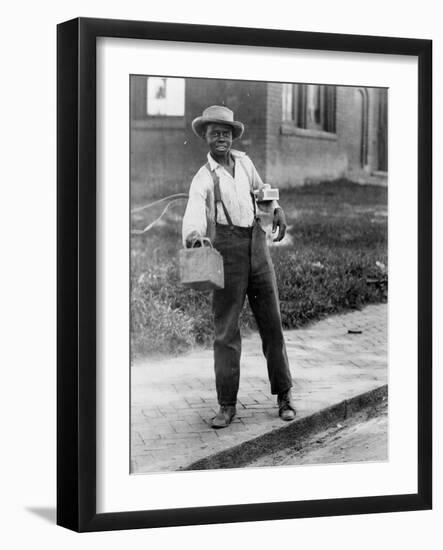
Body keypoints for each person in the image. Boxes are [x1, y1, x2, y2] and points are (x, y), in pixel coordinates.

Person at [182, 105, 295, 429]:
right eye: (215, 132)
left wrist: (277, 210)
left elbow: (263, 193)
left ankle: (285, 395)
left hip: (258, 251)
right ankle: (227, 404)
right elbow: (193, 211)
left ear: (233, 136)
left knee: (272, 326)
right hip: (227, 256)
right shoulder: (203, 178)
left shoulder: (245, 163)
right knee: (226, 333)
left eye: (226, 132)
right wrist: (193, 235)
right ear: (205, 136)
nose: (222, 137)